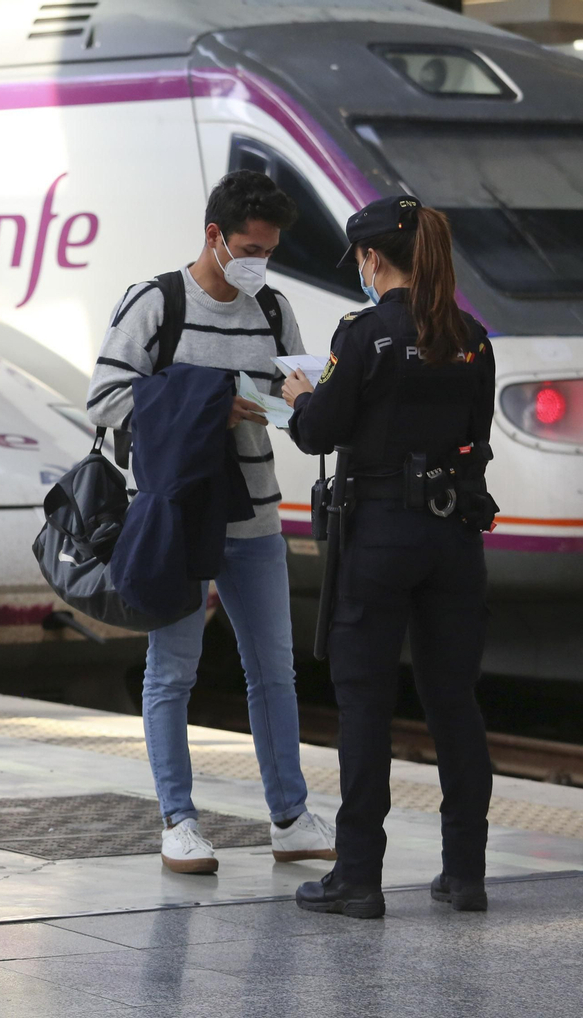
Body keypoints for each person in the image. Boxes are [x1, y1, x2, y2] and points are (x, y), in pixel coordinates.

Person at [85, 170, 336, 874]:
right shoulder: (156, 301)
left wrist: (301, 401)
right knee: (173, 671)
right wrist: (209, 405)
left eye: (270, 252)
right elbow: (104, 398)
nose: (260, 265)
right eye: (251, 249)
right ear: (215, 237)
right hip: (178, 518)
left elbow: (298, 403)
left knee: (275, 672)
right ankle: (179, 821)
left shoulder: (273, 308)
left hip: (256, 515)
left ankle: (290, 817)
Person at [283, 196, 497, 918]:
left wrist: (301, 397)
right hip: (454, 537)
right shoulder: (471, 338)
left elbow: (319, 432)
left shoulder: (364, 333)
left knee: (366, 704)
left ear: (372, 259)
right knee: (454, 702)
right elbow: (476, 435)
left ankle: (358, 878)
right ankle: (465, 873)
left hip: (378, 535)